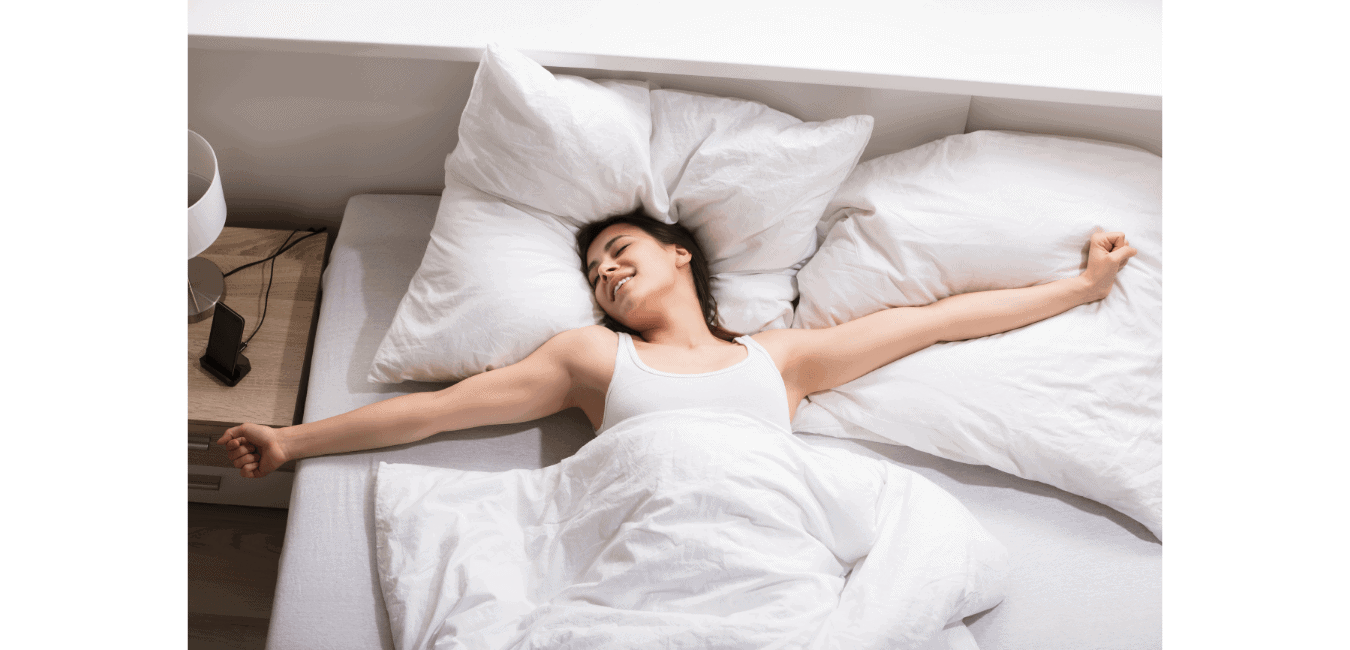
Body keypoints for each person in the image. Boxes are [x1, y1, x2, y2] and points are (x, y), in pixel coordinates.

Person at [218, 209, 1136, 477]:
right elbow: (437, 413)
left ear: (679, 256)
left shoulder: (782, 358)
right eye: (594, 274)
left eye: (618, 254)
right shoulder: (588, 358)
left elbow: (940, 319)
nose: (606, 276)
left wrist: (1084, 287)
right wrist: (292, 441)